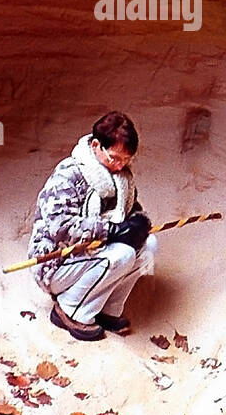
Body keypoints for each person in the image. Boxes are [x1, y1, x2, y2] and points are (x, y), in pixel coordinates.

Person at [28, 111, 156, 341]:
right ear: (96, 145)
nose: (119, 166)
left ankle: (107, 309)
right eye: (114, 158)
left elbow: (130, 209)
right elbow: (59, 226)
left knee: (149, 245)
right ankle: (70, 310)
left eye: (126, 160)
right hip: (56, 260)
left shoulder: (122, 178)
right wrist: (111, 231)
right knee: (124, 254)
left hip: (92, 254)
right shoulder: (69, 174)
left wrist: (138, 222)